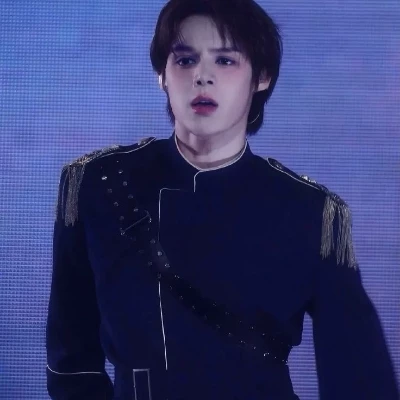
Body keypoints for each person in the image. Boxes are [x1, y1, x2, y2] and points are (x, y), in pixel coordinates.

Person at [45, 0, 399, 399]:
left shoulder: (310, 212)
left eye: (225, 60)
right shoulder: (99, 184)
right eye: (185, 60)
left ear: (261, 77)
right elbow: (71, 362)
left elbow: (361, 378)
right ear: (162, 74)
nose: (202, 77)